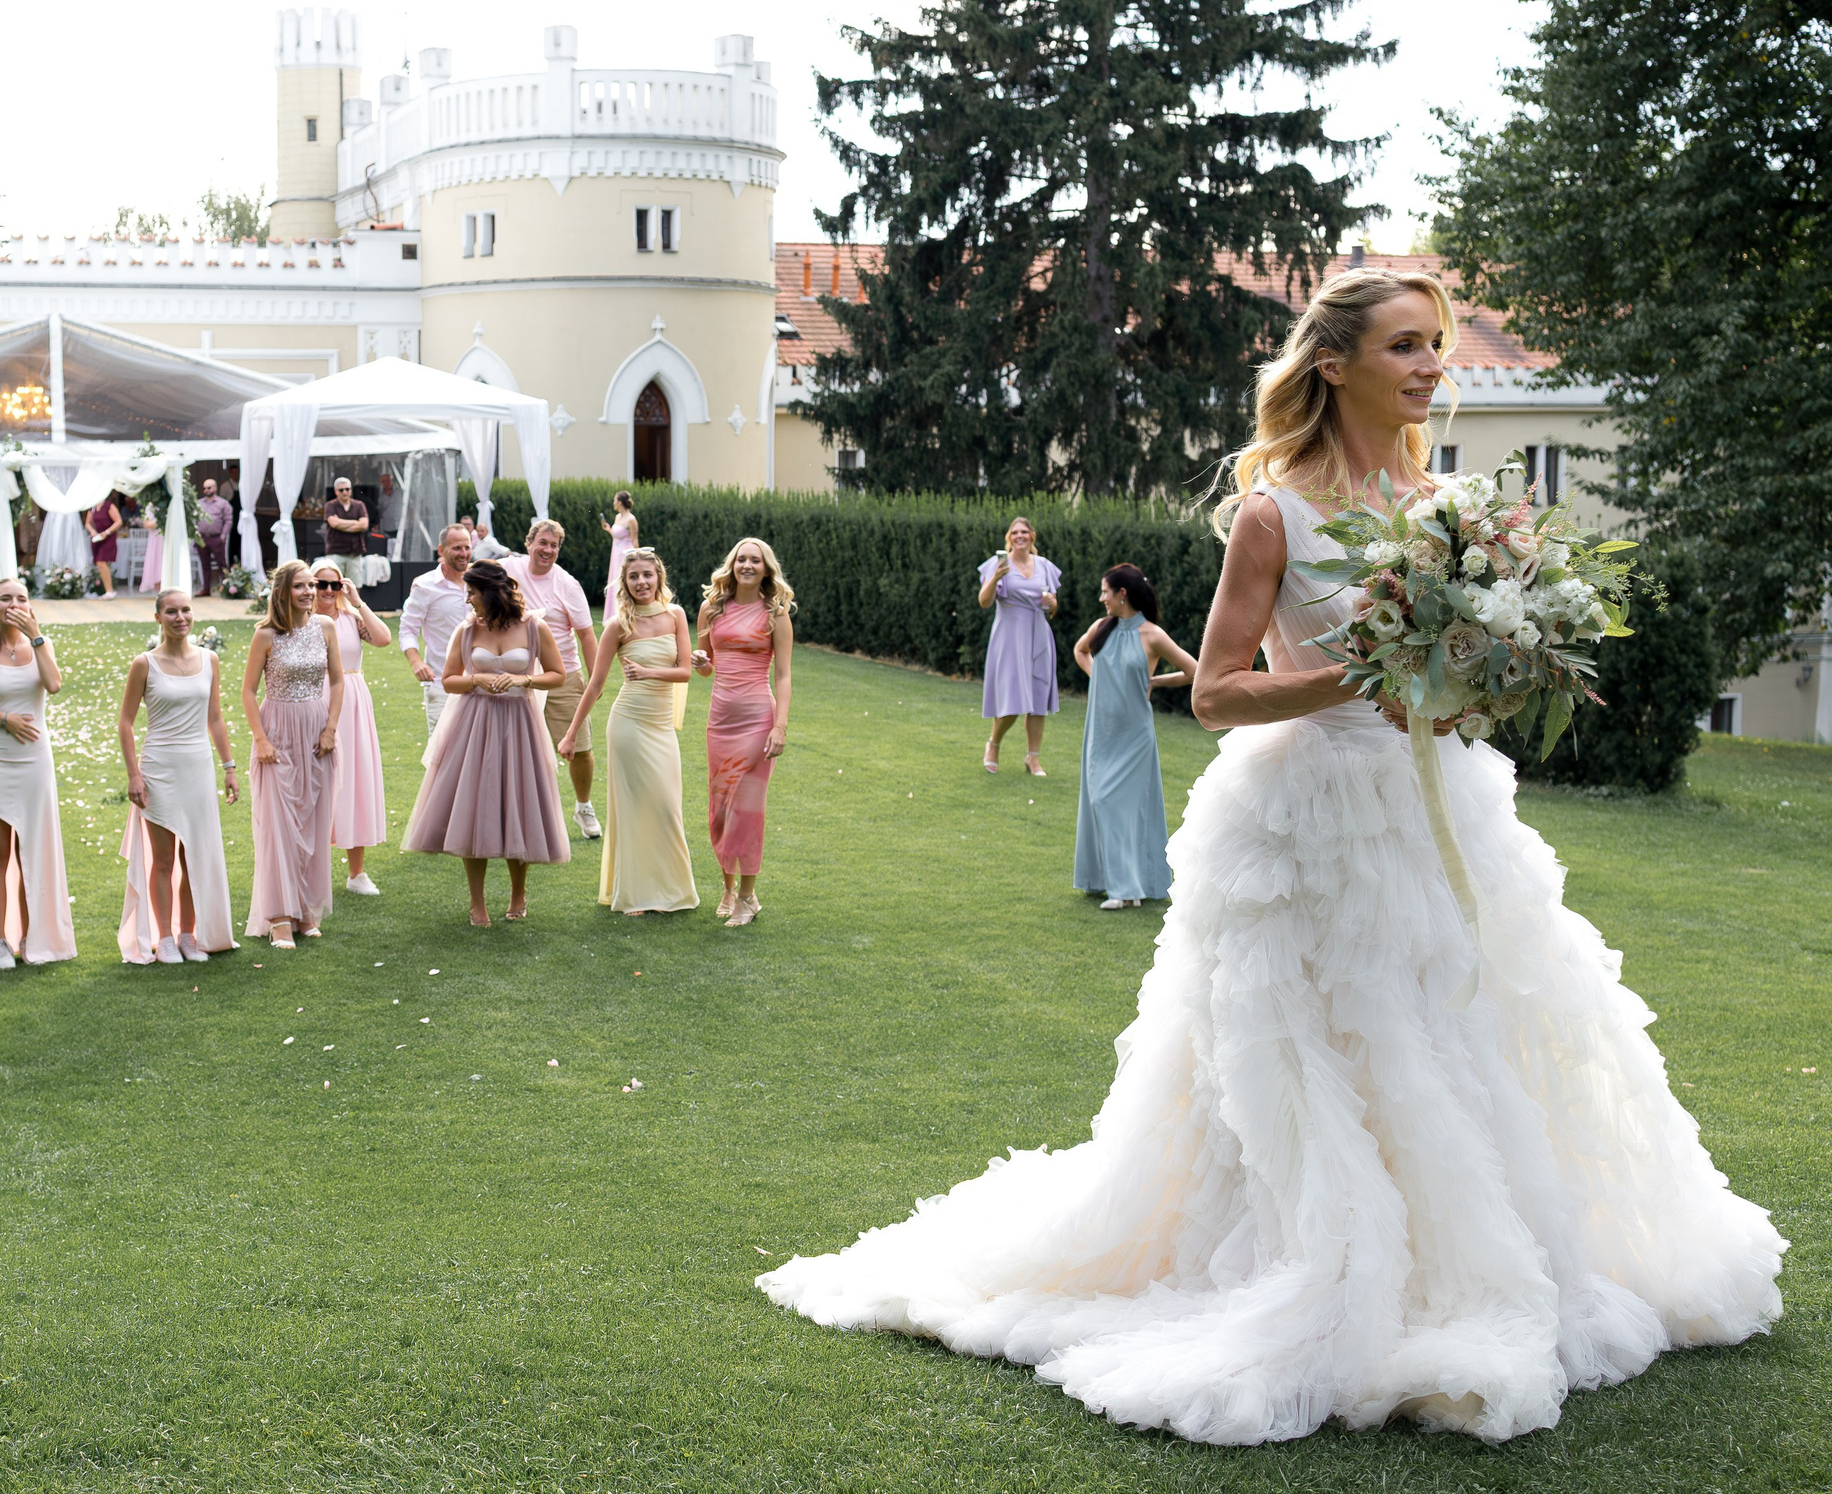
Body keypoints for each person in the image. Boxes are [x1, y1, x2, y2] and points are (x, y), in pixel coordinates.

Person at [758, 268, 1786, 1446]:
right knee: (1313, 1044)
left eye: (1437, 348)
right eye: (1405, 346)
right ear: (1333, 363)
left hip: (1432, 800)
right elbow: (1221, 692)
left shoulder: (1454, 508)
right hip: (1303, 817)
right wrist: (1357, 674)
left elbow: (1448, 689)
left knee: (1462, 1019)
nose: (1429, 368)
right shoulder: (1274, 515)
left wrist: (1477, 679)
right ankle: (1316, 1264)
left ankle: (1476, 1256)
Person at [401, 559, 571, 926]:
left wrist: (524, 681)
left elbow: (559, 675)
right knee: (472, 807)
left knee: (518, 804)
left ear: (492, 592)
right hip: (475, 724)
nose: (469, 600)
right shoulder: (467, 629)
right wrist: (476, 680)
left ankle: (518, 893)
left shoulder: (532, 627)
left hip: (519, 723)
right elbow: (448, 680)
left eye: (473, 592)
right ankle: (476, 902)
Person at [561, 546, 698, 916]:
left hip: (660, 726)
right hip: (629, 725)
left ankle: (673, 890)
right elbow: (596, 684)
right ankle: (633, 895)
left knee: (667, 807)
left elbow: (685, 671)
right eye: (633, 576)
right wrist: (572, 733)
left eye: (647, 575)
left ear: (659, 578)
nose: (641, 582)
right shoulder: (618, 625)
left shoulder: (676, 616)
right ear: (625, 582)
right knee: (634, 808)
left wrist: (651, 672)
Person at [0, 578, 77, 969]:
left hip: (35, 762)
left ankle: (31, 936)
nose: (14, 603)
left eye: (21, 598)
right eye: (5, 598)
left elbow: (54, 685)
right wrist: (3, 718)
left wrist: (36, 636)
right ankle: (0, 941)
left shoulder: (40, 645)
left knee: (31, 853)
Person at [117, 587, 239, 965]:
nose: (181, 617)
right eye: (171, 611)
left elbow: (215, 718)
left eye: (186, 610)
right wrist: (134, 774)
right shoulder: (144, 664)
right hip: (159, 769)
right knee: (165, 859)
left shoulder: (210, 659)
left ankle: (189, 934)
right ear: (158, 618)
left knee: (194, 857)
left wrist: (229, 767)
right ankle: (164, 937)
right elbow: (125, 723)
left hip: (198, 767)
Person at [1070, 564, 1198, 910]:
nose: (1101, 599)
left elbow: (1194, 671)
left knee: (1118, 806)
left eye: (1105, 592)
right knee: (1099, 803)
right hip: (1101, 732)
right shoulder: (1100, 628)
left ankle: (1126, 892)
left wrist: (1153, 682)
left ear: (1121, 595)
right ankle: (1108, 882)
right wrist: (1098, 675)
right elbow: (1079, 651)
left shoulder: (1152, 635)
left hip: (1134, 737)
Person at [241, 561, 343, 948]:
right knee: (278, 826)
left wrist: (331, 728)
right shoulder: (266, 635)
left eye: (311, 585)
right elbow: (248, 691)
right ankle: (279, 916)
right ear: (282, 592)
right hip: (278, 731)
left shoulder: (326, 628)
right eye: (299, 586)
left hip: (316, 731)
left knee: (313, 823)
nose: (308, 592)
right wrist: (261, 739)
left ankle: (305, 909)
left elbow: (337, 681)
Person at [693, 538, 794, 926]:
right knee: (719, 809)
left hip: (757, 720)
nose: (747, 565)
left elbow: (783, 675)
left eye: (755, 560)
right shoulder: (711, 608)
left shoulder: (776, 614)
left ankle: (748, 897)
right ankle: (728, 887)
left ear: (766, 568)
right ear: (732, 565)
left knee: (746, 811)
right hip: (720, 720)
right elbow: (706, 668)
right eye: (741, 559)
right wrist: (700, 660)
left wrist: (780, 727)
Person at [515, 519, 602, 840]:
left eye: (554, 545)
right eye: (543, 543)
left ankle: (583, 806)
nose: (548, 550)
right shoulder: (508, 570)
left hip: (562, 676)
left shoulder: (567, 584)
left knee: (578, 747)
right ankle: (523, 813)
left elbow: (587, 635)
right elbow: (474, 575)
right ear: (529, 543)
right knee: (521, 748)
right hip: (518, 676)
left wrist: (596, 680)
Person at [311, 557, 392, 895]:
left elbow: (384, 638)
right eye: (321, 584)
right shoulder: (301, 621)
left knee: (354, 780)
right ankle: (310, 870)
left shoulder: (351, 618)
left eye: (335, 584)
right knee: (315, 782)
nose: (328, 591)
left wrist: (357, 601)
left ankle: (356, 873)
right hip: (316, 700)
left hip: (353, 703)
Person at [979, 517, 1062, 776]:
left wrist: (1052, 602)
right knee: (1012, 700)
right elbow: (984, 602)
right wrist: (995, 578)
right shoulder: (998, 564)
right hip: (1009, 636)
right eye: (1015, 532)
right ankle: (993, 744)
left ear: (1032, 536)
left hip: (1039, 636)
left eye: (1024, 532)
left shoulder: (1045, 565)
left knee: (1038, 700)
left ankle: (1033, 758)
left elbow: (1053, 606)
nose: (1020, 536)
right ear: (1009, 537)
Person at [398, 522, 475, 734]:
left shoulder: (479, 582)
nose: (464, 553)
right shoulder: (425, 586)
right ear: (441, 550)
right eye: (457, 548)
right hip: (441, 685)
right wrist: (416, 662)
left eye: (467, 547)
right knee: (441, 754)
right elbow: (407, 629)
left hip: (479, 684)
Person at [599, 490, 639, 625]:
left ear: (620, 502)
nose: (613, 503)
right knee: (614, 582)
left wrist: (638, 560)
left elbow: (634, 541)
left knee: (622, 583)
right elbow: (617, 537)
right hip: (615, 554)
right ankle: (613, 615)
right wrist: (609, 529)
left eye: (615, 500)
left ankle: (625, 614)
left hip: (625, 555)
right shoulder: (617, 517)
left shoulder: (631, 519)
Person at [322, 477, 371, 583]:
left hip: (354, 552)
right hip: (336, 552)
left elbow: (364, 525)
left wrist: (340, 522)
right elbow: (333, 523)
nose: (345, 492)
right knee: (334, 584)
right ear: (336, 491)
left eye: (347, 489)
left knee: (355, 586)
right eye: (341, 490)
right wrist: (355, 522)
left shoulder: (359, 505)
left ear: (351, 490)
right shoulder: (330, 506)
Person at [194, 477, 234, 595]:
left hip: (216, 538)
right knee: (205, 565)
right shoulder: (199, 503)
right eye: (204, 488)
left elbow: (228, 520)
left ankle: (225, 588)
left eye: (209, 487)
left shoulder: (223, 503)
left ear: (215, 488)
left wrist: (223, 536)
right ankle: (206, 588)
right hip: (202, 538)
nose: (206, 490)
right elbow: (194, 519)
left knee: (222, 564)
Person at [86, 491, 125, 598]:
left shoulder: (109, 506)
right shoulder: (92, 507)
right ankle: (107, 589)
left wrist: (106, 532)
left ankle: (110, 590)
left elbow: (118, 521)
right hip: (96, 538)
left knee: (101, 561)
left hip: (108, 537)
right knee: (99, 563)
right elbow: (87, 523)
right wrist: (92, 531)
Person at [137, 502, 166, 594]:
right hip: (157, 537)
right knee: (157, 561)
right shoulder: (151, 506)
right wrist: (162, 521)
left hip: (168, 536)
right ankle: (159, 589)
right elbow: (146, 524)